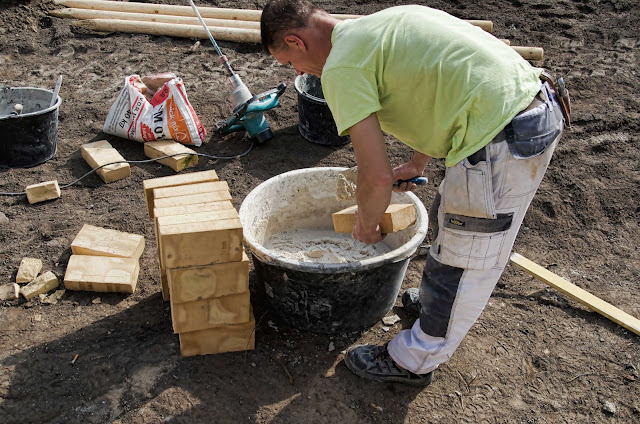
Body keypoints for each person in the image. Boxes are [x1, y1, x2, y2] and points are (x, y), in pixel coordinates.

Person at [261, 0, 566, 387]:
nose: (298, 72)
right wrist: (418, 164)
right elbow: (447, 86)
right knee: (451, 218)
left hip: (505, 129)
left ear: (296, 41)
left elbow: (374, 177)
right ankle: (437, 307)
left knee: (467, 257)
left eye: (289, 63)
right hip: (524, 100)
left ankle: (414, 359)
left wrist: (367, 226)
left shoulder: (342, 68)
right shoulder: (386, 23)